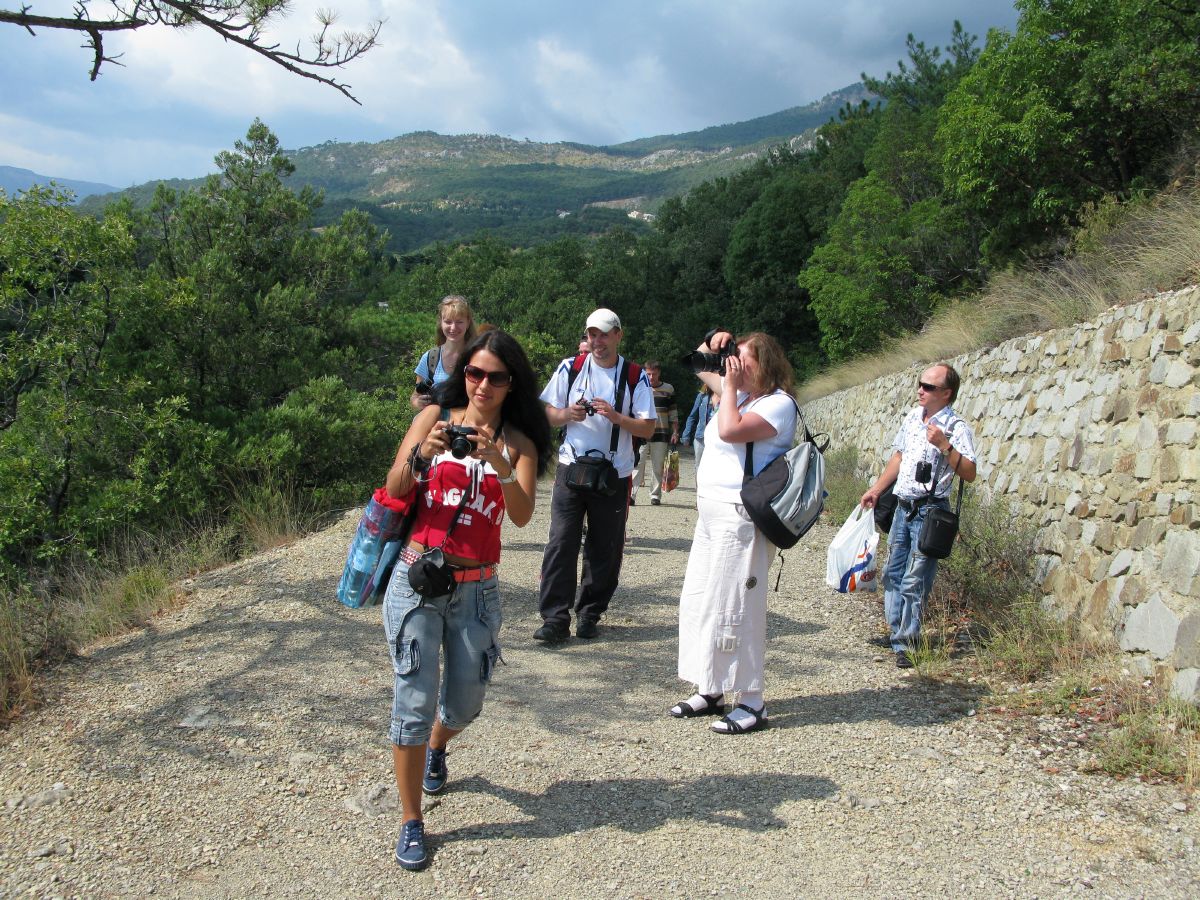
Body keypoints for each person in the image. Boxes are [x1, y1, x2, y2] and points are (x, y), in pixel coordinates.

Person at [381, 329, 552, 870]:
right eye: (475, 373)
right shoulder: (434, 418)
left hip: (477, 589)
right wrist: (420, 457)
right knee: (412, 700)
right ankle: (412, 820)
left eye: (496, 377)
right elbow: (393, 486)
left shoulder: (520, 443)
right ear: (464, 375)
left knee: (466, 702)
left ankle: (439, 744)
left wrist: (500, 462)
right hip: (418, 579)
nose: (483, 385)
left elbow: (521, 515)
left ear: (512, 384)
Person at [671, 330, 797, 735]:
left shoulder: (778, 404)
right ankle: (710, 688)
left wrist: (727, 386)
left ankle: (752, 701)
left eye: (744, 359)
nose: (734, 366)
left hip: (740, 519)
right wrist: (713, 341)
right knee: (700, 601)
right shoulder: (739, 394)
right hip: (712, 517)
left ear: (765, 364)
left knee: (736, 609)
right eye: (734, 358)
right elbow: (697, 363)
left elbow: (729, 430)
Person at [534, 308, 656, 642]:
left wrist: (616, 417)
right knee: (561, 542)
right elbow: (546, 413)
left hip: (614, 473)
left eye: (603, 334)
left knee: (605, 547)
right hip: (571, 467)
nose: (597, 341)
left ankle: (589, 614)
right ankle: (555, 619)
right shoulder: (570, 367)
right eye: (592, 334)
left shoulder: (634, 375)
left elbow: (647, 428)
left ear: (618, 335)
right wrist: (566, 414)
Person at [859, 364, 977, 669]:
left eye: (928, 386)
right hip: (903, 505)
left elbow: (969, 472)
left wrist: (944, 445)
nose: (920, 390)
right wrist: (876, 489)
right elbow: (899, 457)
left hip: (930, 509)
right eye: (920, 384)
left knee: (915, 579)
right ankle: (897, 633)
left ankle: (908, 641)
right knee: (892, 572)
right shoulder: (913, 417)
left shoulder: (955, 427)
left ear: (946, 393)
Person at [410, 294, 478, 410]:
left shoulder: (477, 356)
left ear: (468, 323)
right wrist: (417, 402)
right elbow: (416, 395)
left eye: (459, 322)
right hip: (435, 419)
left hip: (468, 419)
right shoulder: (430, 358)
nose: (453, 327)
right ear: (441, 323)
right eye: (448, 322)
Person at [631, 361, 679, 506]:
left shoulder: (668, 389)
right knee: (637, 464)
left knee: (658, 466)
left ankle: (655, 495)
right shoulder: (640, 387)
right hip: (641, 432)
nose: (651, 377)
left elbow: (673, 412)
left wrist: (675, 431)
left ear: (659, 373)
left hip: (661, 432)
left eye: (654, 374)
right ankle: (631, 494)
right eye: (649, 374)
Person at [680, 385, 716, 475]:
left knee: (714, 466)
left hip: (717, 437)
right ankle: (699, 484)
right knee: (699, 465)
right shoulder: (702, 396)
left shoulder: (725, 395)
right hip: (701, 436)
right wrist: (686, 435)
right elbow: (692, 416)